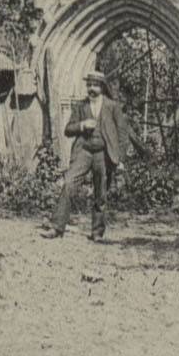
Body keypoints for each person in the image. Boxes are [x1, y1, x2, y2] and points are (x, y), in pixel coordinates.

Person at [40, 69, 128, 241]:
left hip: (103, 153)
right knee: (68, 183)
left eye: (95, 85)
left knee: (100, 193)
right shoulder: (81, 106)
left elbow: (122, 134)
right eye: (89, 85)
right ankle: (57, 228)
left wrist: (121, 159)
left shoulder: (112, 106)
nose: (91, 88)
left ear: (102, 87)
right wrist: (82, 125)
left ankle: (97, 233)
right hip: (84, 151)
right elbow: (68, 130)